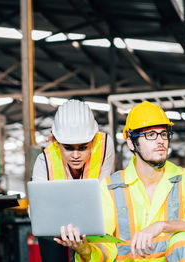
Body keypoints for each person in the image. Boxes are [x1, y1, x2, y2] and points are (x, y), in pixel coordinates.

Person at [54, 101, 185, 261]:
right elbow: (104, 246)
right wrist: (84, 249)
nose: (160, 141)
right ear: (131, 142)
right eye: (150, 135)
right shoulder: (109, 188)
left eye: (163, 134)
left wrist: (162, 226)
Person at [32, 99, 115, 261]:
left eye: (83, 147)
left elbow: (104, 193)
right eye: (68, 147)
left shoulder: (105, 147)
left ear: (93, 139)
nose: (76, 155)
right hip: (56, 232)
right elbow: (37, 212)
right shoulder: (44, 161)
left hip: (93, 226)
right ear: (55, 140)